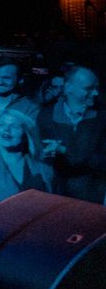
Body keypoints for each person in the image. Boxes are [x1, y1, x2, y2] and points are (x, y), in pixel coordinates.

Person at [37, 65, 105, 203]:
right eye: (89, 88)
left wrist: (65, 150)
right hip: (55, 198)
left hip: (92, 199)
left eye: (96, 88)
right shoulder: (46, 116)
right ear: (68, 88)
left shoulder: (102, 119)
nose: (95, 93)